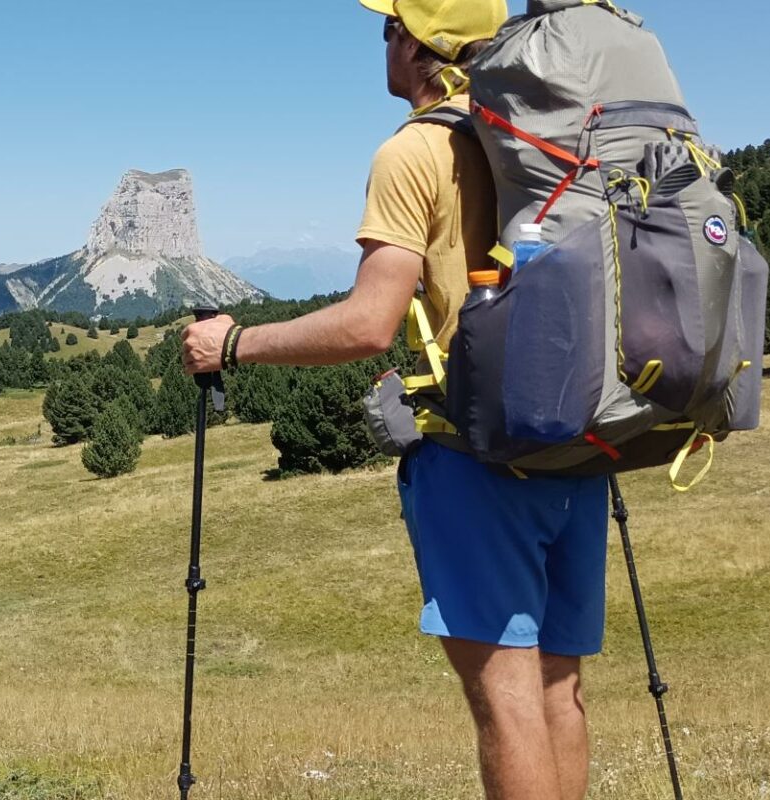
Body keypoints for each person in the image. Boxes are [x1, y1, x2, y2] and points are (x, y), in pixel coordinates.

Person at [182, 3, 607, 799]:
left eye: (388, 28)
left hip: (478, 454)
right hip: (578, 440)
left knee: (506, 702)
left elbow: (370, 323)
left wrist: (234, 343)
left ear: (419, 47)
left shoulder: (416, 149)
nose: (383, 41)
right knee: (558, 688)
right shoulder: (541, 133)